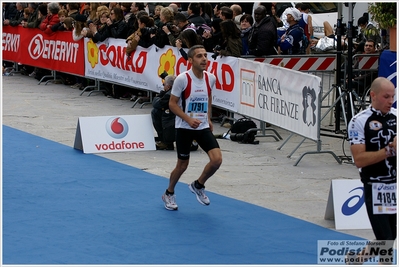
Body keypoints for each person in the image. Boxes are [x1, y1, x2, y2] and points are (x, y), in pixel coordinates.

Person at [162, 45, 222, 211]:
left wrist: (208, 118)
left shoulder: (210, 78)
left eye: (205, 55)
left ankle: (198, 184)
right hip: (184, 127)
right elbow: (172, 104)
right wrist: (188, 119)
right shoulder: (182, 79)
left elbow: (208, 97)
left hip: (201, 126)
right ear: (190, 60)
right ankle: (169, 192)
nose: (204, 59)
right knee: (182, 165)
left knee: (217, 160)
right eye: (199, 56)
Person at [347, 77, 396, 264]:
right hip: (376, 186)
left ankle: (357, 259)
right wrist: (389, 150)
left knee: (389, 236)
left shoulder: (396, 117)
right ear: (373, 95)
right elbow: (359, 160)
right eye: (386, 96)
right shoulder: (359, 121)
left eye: (393, 96)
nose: (391, 101)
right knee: (386, 240)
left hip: (395, 185)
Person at [152, 75, 176, 151]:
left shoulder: (169, 94)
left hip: (172, 117)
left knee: (155, 112)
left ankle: (165, 141)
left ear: (168, 86)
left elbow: (157, 104)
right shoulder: (177, 90)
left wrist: (160, 94)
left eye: (164, 84)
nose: (163, 86)